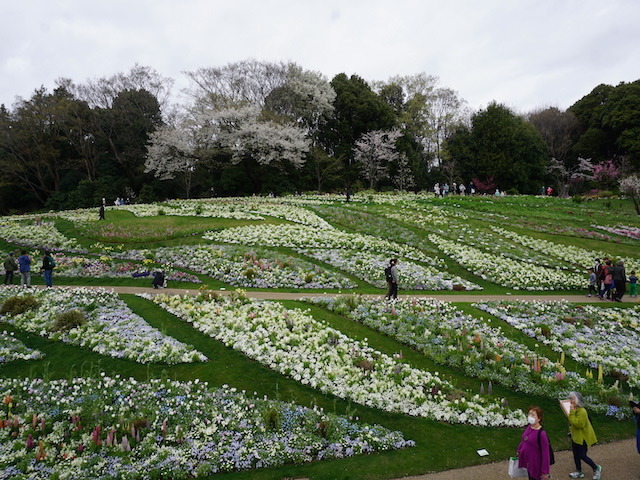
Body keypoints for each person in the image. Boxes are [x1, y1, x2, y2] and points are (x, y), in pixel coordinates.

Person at [567, 391, 602, 479]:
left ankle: (596, 468)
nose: (570, 401)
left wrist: (571, 412)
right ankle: (579, 471)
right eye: (570, 398)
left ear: (578, 400)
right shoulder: (575, 410)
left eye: (572, 399)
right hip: (575, 437)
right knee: (575, 454)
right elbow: (572, 423)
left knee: (582, 455)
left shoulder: (582, 411)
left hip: (583, 438)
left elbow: (578, 424)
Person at [516, 406, 551, 480]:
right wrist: (519, 450)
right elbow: (525, 440)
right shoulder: (529, 427)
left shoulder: (542, 434)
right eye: (529, 414)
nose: (530, 416)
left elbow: (545, 454)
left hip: (536, 465)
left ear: (539, 418)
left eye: (533, 415)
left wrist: (545, 472)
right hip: (529, 463)